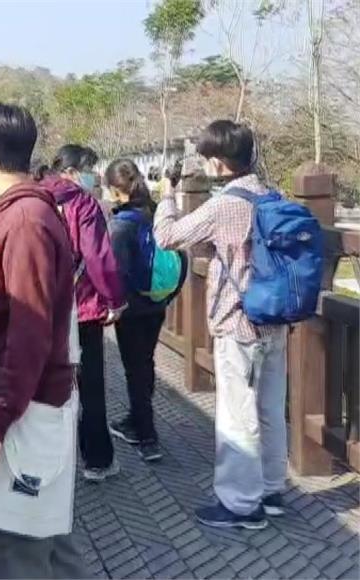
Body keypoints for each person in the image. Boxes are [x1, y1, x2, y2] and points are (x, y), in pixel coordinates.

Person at [0, 103, 88, 579]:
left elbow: (30, 336)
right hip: (34, 406)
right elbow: (24, 321)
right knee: (47, 543)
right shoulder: (24, 213)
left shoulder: (23, 221)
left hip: (26, 415)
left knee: (17, 551)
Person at [153, 120, 287, 530]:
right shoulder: (269, 194)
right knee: (269, 409)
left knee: (236, 414)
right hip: (275, 322)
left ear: (216, 162)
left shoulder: (225, 203)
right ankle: (271, 488)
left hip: (238, 322)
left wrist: (167, 197)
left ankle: (241, 505)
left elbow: (169, 237)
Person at [37, 145, 126, 482]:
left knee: (45, 386)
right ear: (73, 171)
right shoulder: (81, 203)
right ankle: (97, 460)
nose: (94, 175)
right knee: (89, 387)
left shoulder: (34, 197)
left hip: (40, 309)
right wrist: (115, 300)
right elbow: (98, 258)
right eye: (91, 168)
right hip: (82, 309)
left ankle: (45, 463)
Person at [104, 159, 187, 463]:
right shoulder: (156, 214)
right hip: (156, 304)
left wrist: (113, 305)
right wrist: (167, 296)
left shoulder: (122, 225)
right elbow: (181, 257)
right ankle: (135, 419)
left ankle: (147, 435)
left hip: (132, 309)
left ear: (115, 190)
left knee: (134, 370)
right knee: (145, 363)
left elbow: (116, 273)